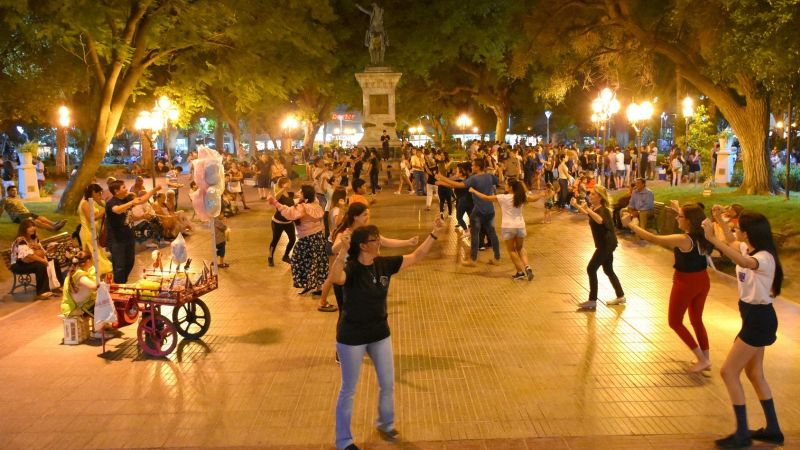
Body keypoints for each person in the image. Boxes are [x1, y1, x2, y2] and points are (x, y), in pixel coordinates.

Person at [332, 217, 445, 450]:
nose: (379, 243)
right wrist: (342, 251)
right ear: (363, 245)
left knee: (387, 382)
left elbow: (416, 256)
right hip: (351, 338)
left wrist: (434, 233)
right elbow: (336, 278)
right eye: (375, 240)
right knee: (349, 389)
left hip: (380, 333)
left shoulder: (383, 264)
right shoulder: (351, 267)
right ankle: (343, 441)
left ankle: (385, 423)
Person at [701, 212, 785, 449]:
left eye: (738, 228)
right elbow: (731, 241)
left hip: (759, 319)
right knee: (755, 374)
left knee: (729, 372)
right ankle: (773, 429)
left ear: (747, 233)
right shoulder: (748, 248)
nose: (735, 232)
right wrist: (718, 219)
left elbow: (744, 263)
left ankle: (742, 433)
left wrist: (711, 239)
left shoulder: (764, 258)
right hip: (753, 317)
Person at [623, 202, 712, 372]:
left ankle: (702, 359)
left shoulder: (683, 239)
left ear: (689, 221)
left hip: (686, 282)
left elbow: (653, 238)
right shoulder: (703, 235)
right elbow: (687, 216)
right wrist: (679, 207)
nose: (677, 218)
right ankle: (705, 359)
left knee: (675, 322)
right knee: (696, 320)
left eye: (680, 216)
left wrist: (632, 225)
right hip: (703, 279)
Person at [469, 179, 541, 280]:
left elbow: (486, 197)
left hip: (508, 227)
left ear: (511, 187)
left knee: (511, 250)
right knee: (520, 248)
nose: (505, 186)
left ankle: (520, 272)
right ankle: (527, 267)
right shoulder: (521, 196)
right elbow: (534, 198)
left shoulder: (503, 197)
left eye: (506, 184)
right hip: (520, 226)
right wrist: (543, 194)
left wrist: (473, 191)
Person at [436, 158, 500, 265]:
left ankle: (473, 260)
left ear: (478, 167)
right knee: (492, 233)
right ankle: (497, 258)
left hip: (478, 210)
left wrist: (442, 178)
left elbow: (458, 185)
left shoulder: (474, 179)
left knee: (475, 234)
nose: (472, 167)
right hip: (489, 209)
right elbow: (498, 181)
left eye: (473, 165)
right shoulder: (489, 176)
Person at [570, 186, 625, 310]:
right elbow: (589, 214)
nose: (590, 196)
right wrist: (577, 205)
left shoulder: (603, 210)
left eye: (593, 194)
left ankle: (592, 300)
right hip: (605, 244)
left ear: (600, 197)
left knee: (591, 269)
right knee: (608, 270)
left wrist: (588, 209)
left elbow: (600, 220)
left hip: (606, 244)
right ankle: (620, 295)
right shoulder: (596, 208)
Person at [269, 185, 327, 295]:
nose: (299, 192)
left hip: (307, 238)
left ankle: (310, 284)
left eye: (301, 191)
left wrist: (275, 203)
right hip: (318, 237)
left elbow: (289, 213)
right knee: (316, 261)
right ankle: (317, 287)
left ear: (305, 195)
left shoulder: (303, 207)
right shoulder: (315, 203)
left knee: (297, 260)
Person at [106, 180, 160, 283]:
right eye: (123, 187)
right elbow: (117, 210)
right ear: (116, 191)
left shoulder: (126, 199)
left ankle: (121, 282)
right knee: (119, 266)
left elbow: (141, 200)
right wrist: (131, 203)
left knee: (130, 263)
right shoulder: (111, 203)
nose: (126, 189)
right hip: (117, 240)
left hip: (129, 237)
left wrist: (154, 190)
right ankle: (119, 287)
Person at [10, 218, 64, 299]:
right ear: (24, 229)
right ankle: (42, 292)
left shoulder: (34, 238)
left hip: (31, 261)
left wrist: (48, 250)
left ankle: (58, 286)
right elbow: (27, 256)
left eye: (33, 226)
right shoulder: (21, 240)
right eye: (29, 227)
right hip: (19, 264)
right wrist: (42, 260)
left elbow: (42, 252)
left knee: (54, 261)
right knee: (40, 265)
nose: (32, 228)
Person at [78, 184, 112, 274]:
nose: (100, 195)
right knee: (92, 254)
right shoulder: (85, 203)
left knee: (97, 253)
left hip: (93, 231)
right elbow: (91, 218)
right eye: (98, 193)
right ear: (93, 192)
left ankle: (97, 271)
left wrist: (101, 202)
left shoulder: (91, 202)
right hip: (87, 232)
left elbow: (103, 205)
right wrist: (104, 210)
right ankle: (93, 271)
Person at [0, 185, 66, 230]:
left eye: (15, 190)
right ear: (8, 191)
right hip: (17, 217)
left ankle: (54, 224)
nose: (14, 192)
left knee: (36, 220)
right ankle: (53, 228)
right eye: (12, 190)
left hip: (25, 214)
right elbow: (1, 209)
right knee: (33, 219)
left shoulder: (17, 197)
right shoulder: (5, 199)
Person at [268, 178, 296, 267]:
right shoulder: (278, 194)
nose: (290, 184)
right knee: (275, 240)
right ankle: (270, 257)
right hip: (277, 222)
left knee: (292, 239)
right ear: (283, 184)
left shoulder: (290, 194)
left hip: (288, 222)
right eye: (289, 182)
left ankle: (286, 256)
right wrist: (283, 189)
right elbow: (276, 198)